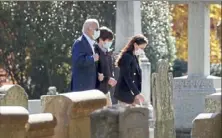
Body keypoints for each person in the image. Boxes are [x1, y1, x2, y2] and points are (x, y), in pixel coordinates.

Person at [114, 34, 148, 105]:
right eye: (141, 48)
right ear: (135, 45)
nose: (142, 50)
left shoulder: (134, 57)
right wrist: (137, 93)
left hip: (132, 94)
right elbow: (127, 77)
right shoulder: (127, 57)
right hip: (125, 94)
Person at [70, 19, 100, 91]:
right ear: (89, 28)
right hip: (82, 87)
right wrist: (92, 58)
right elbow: (78, 61)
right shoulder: (79, 43)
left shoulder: (94, 44)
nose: (98, 31)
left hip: (91, 86)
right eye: (96, 29)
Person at [94, 26, 117, 106]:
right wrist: (107, 79)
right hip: (97, 92)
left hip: (106, 90)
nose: (110, 42)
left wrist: (112, 77)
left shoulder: (107, 52)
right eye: (108, 40)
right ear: (100, 39)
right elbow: (96, 72)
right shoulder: (95, 52)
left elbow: (110, 69)